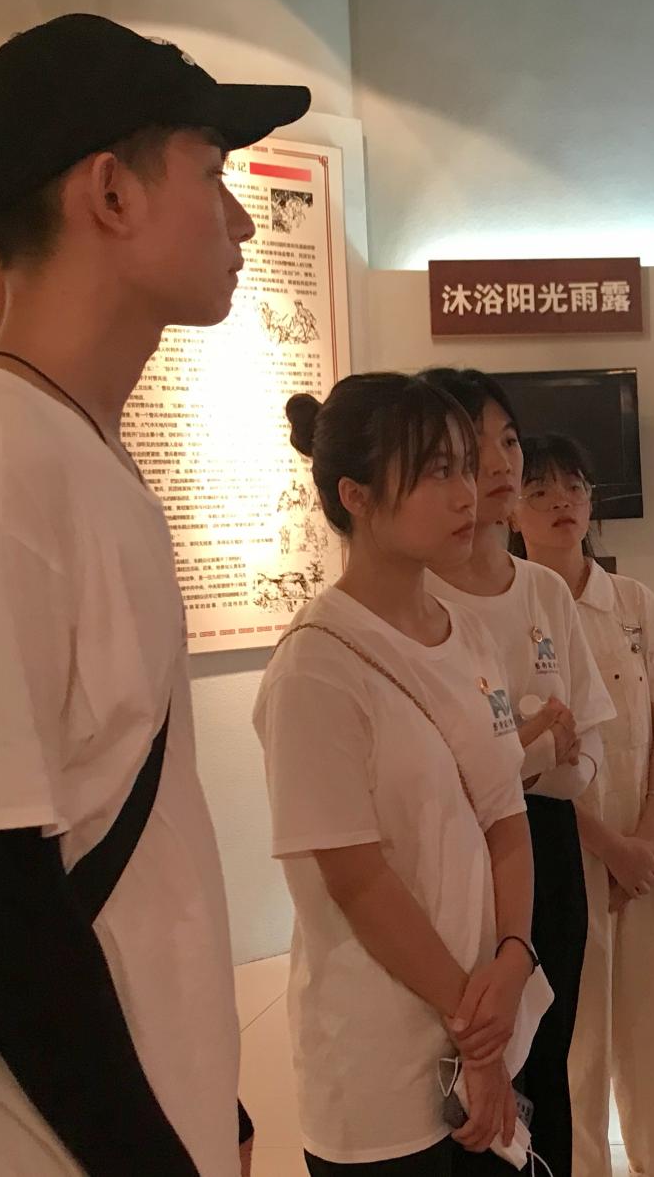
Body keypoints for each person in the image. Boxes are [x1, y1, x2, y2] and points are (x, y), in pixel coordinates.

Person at [0, 14, 306, 1176]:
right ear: (111, 192)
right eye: (213, 172)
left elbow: (113, 844)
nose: (242, 219)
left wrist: (207, 1105)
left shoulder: (68, 448)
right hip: (38, 1143)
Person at [257, 375, 551, 1174]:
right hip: (381, 1066)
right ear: (354, 496)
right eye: (434, 473)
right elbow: (358, 880)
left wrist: (515, 956)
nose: (466, 494)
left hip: (489, 1023)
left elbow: (506, 818)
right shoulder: (316, 667)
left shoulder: (469, 635)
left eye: (465, 466)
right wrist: (474, 1027)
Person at [422, 368, 617, 1177]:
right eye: (474, 448)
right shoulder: (422, 599)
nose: (501, 462)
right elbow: (451, 777)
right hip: (465, 855)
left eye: (508, 440)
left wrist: (534, 756)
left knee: (552, 1052)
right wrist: (536, 745)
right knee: (472, 1061)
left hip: (550, 846)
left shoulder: (542, 589)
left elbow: (586, 744)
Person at [511, 435, 654, 1177]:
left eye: (574, 487)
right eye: (539, 490)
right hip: (567, 848)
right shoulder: (514, 613)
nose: (561, 502)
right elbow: (519, 765)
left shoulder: (632, 602)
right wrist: (609, 847)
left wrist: (647, 834)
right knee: (576, 1037)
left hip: (652, 842)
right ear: (512, 510)